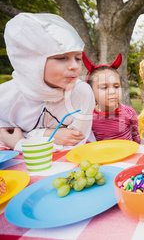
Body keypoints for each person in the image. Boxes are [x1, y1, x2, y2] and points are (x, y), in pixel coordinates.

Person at [0, 13, 95, 152]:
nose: (74, 66)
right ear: (31, 61)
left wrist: (22, 142)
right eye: (62, 57)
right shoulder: (5, 97)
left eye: (78, 58)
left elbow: (72, 142)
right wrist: (51, 135)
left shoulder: (82, 93)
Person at [84, 53, 140, 143]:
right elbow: (87, 142)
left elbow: (136, 136)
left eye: (116, 86)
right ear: (91, 91)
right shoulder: (88, 116)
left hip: (128, 154)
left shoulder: (129, 112)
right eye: (104, 87)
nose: (112, 91)